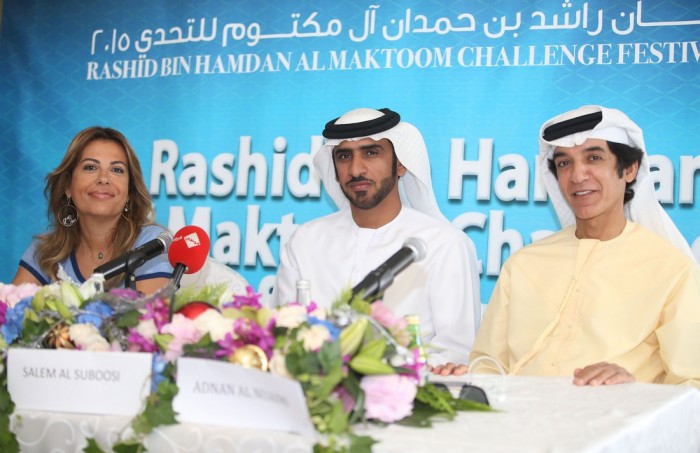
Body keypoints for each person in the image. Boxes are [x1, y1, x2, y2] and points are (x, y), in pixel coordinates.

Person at [435, 105, 700, 388]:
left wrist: (633, 389)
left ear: (629, 169)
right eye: (564, 163)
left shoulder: (671, 269)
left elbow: (692, 384)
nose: (577, 175)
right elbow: (488, 364)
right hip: (516, 412)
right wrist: (465, 377)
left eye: (594, 158)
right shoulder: (523, 264)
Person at [272, 107, 481, 365]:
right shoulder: (305, 241)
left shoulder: (444, 244)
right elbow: (280, 337)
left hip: (410, 388)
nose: (355, 169)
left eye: (371, 153)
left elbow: (457, 354)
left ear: (400, 164)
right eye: (344, 156)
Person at [12, 126, 173, 295]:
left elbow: (148, 311)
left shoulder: (151, 244)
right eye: (90, 167)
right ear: (68, 186)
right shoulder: (46, 251)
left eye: (116, 169)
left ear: (129, 192)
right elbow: (9, 307)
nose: (103, 178)